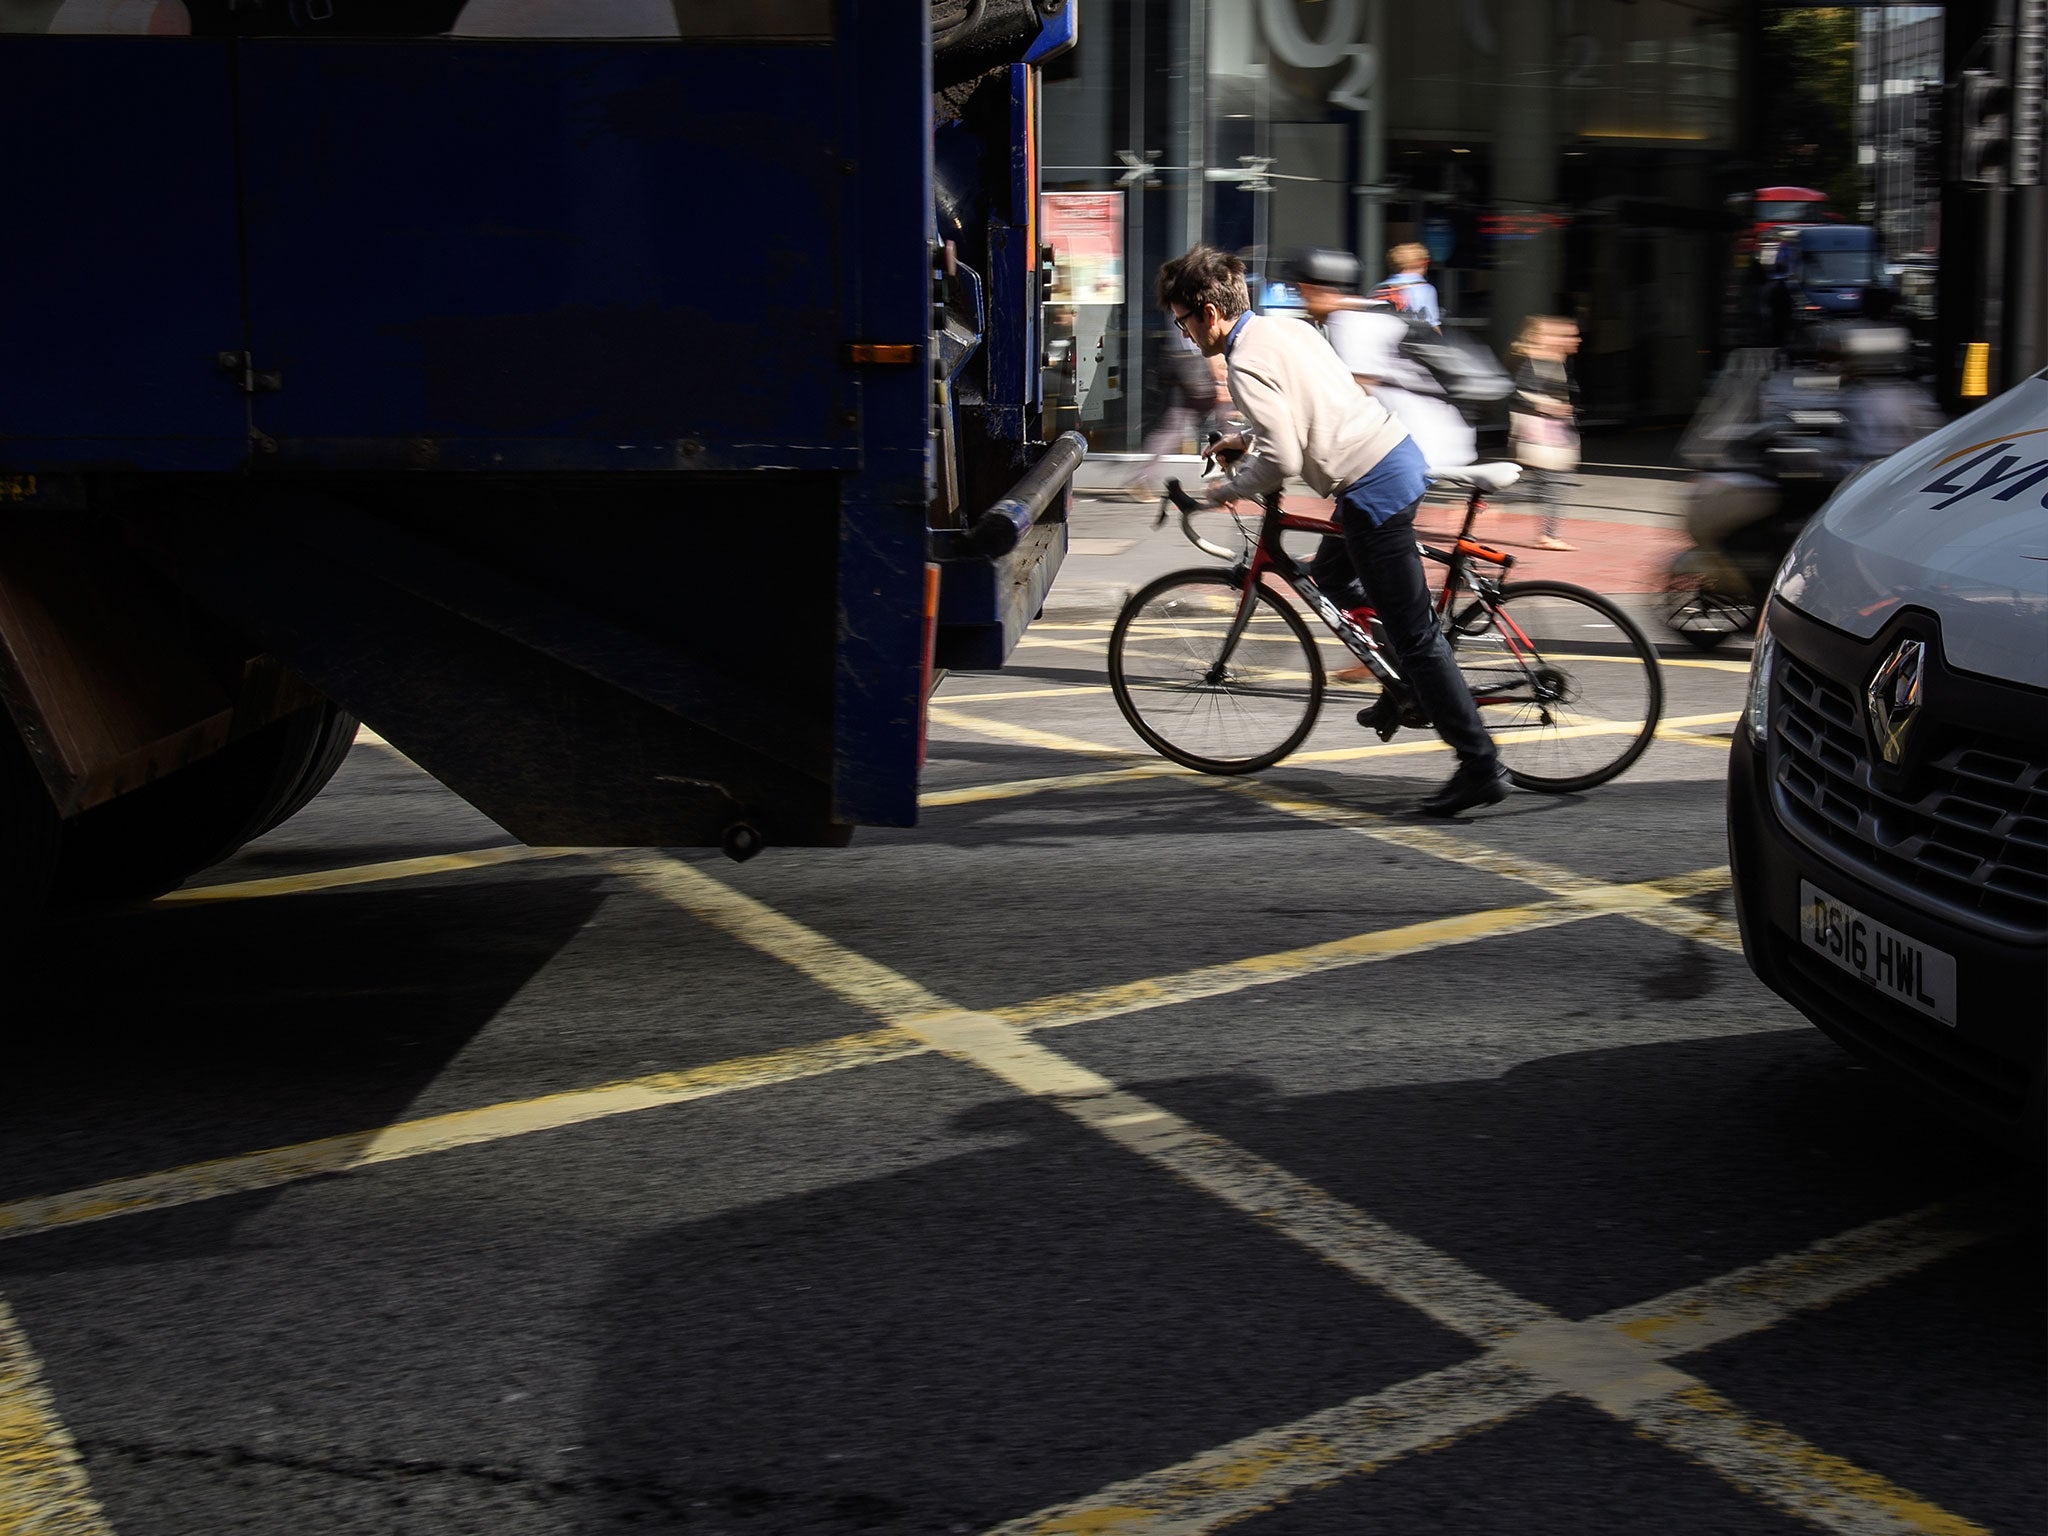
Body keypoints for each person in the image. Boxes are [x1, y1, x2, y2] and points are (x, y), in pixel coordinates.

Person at [1159, 244, 1508, 816]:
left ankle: (1480, 764)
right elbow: (1310, 407)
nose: (1186, 335)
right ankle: (1402, 688)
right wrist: (1244, 442)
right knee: (1330, 581)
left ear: (1208, 312)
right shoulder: (1284, 331)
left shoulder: (1243, 363)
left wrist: (1223, 491)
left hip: (1372, 487)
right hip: (1386, 459)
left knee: (1416, 635)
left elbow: (1285, 460)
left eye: (1183, 321)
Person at [1283, 249, 1478, 472]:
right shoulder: (1371, 311)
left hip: (1417, 441)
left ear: (1314, 290)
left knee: (1359, 500)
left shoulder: (1348, 323)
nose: (1302, 303)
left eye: (1301, 293)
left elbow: (1355, 392)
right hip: (1438, 435)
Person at [1120, 325, 1230, 501]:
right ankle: (1219, 481)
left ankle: (1141, 478)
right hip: (1200, 355)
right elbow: (1208, 328)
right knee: (1224, 416)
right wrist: (1220, 381)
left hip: (1185, 355)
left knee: (1179, 423)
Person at [1508, 316, 1581, 552]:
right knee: (1550, 484)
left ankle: (1548, 534)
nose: (1576, 340)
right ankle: (1548, 535)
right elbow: (1519, 394)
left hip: (1552, 433)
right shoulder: (1535, 362)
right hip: (1540, 434)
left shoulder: (1555, 361)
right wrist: (1548, 406)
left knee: (1548, 485)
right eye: (1568, 335)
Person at [1372, 242, 1442, 328]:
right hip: (1413, 338)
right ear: (1421, 264)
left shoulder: (1380, 288)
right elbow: (1432, 323)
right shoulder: (1426, 289)